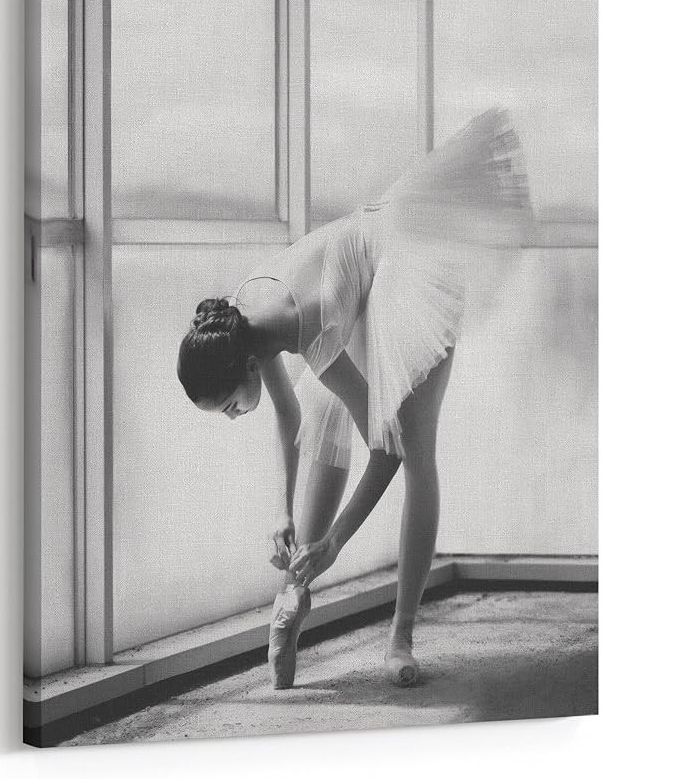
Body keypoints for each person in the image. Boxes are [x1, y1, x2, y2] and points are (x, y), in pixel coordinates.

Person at [177, 107, 532, 689]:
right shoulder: (240, 317)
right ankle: (293, 592)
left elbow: (383, 449)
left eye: (231, 407)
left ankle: (400, 633)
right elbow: (289, 416)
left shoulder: (305, 335)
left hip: (409, 265)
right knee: (322, 420)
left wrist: (335, 543)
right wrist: (282, 510)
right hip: (356, 274)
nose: (238, 415)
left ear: (243, 367)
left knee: (416, 449)